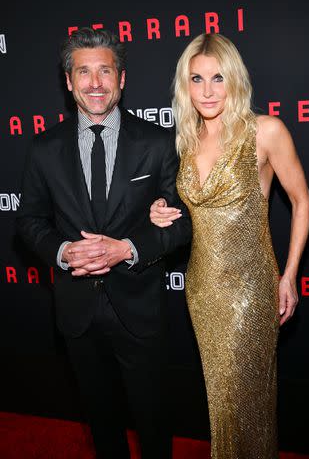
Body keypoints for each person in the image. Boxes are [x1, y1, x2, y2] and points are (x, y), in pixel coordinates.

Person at [16, 27, 191, 459]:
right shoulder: (43, 148)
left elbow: (183, 223)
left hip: (139, 308)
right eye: (84, 72)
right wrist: (61, 251)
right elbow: (29, 221)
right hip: (77, 310)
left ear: (122, 79)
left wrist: (126, 248)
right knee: (101, 421)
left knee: (153, 422)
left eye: (105, 71)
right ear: (69, 81)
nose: (96, 82)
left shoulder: (157, 143)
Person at [150, 33, 309, 459]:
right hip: (202, 291)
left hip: (249, 292)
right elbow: (189, 212)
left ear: (234, 80)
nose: (207, 90)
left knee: (248, 405)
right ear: (185, 86)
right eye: (196, 79)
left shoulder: (265, 131)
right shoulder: (185, 141)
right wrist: (161, 209)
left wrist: (290, 274)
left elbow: (302, 200)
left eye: (217, 78)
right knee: (221, 405)